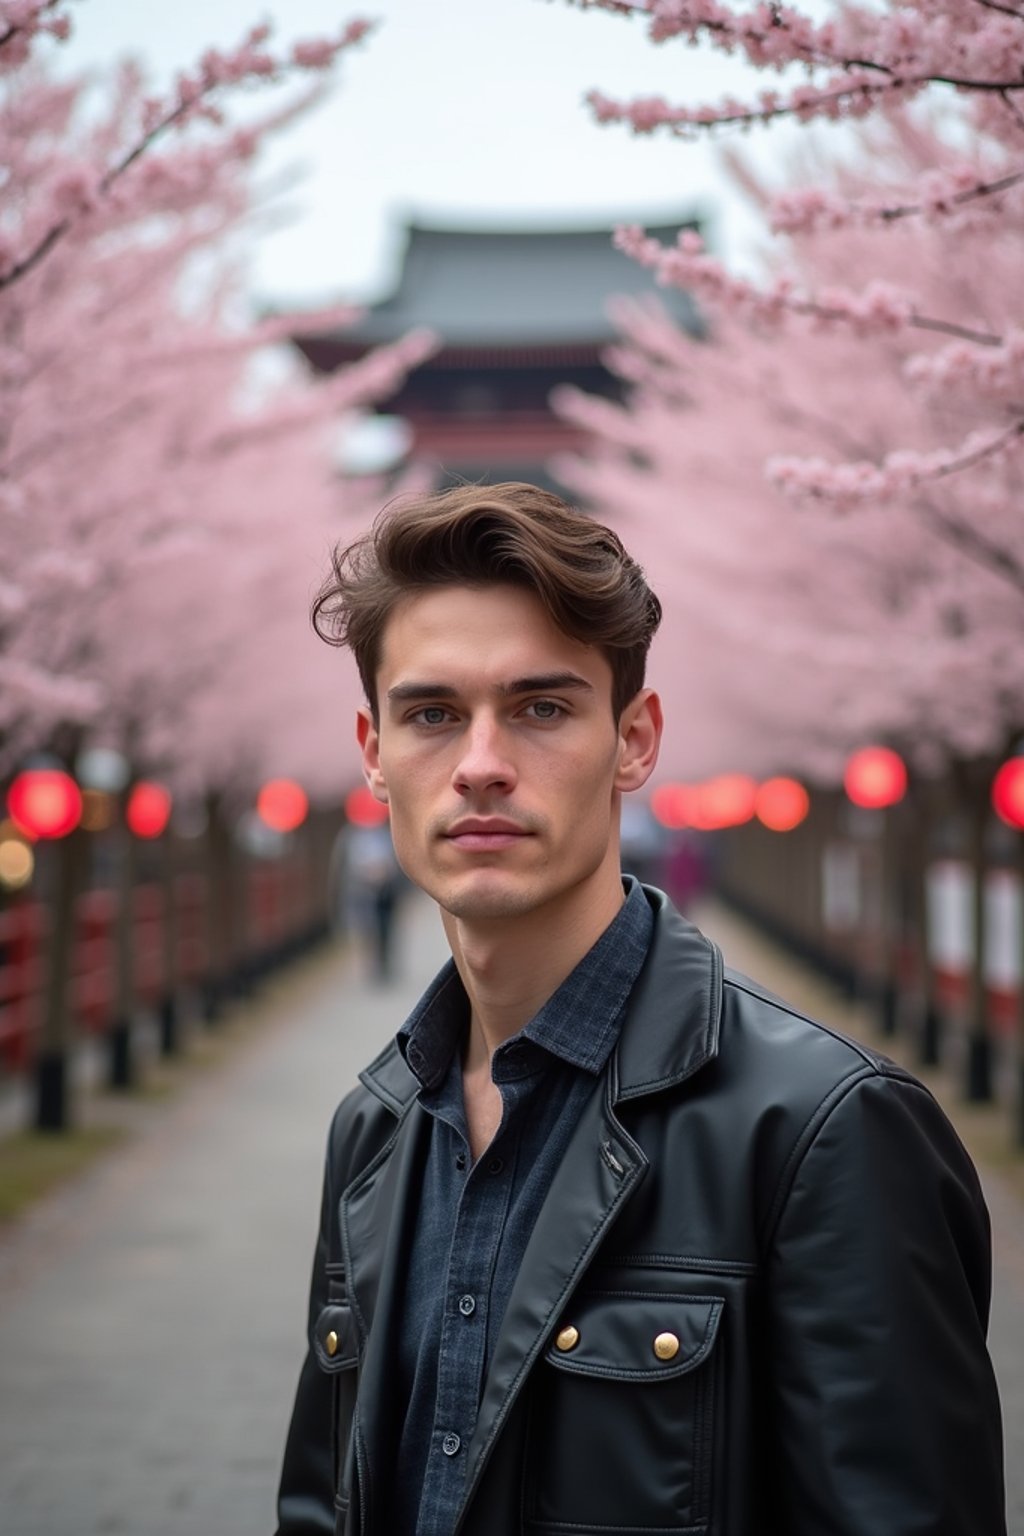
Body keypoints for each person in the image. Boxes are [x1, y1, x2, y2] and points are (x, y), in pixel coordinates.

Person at [276, 483, 1005, 1536]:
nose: (480, 766)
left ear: (634, 741)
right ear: (374, 753)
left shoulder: (823, 1132)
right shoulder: (376, 1128)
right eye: (432, 713)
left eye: (541, 708)